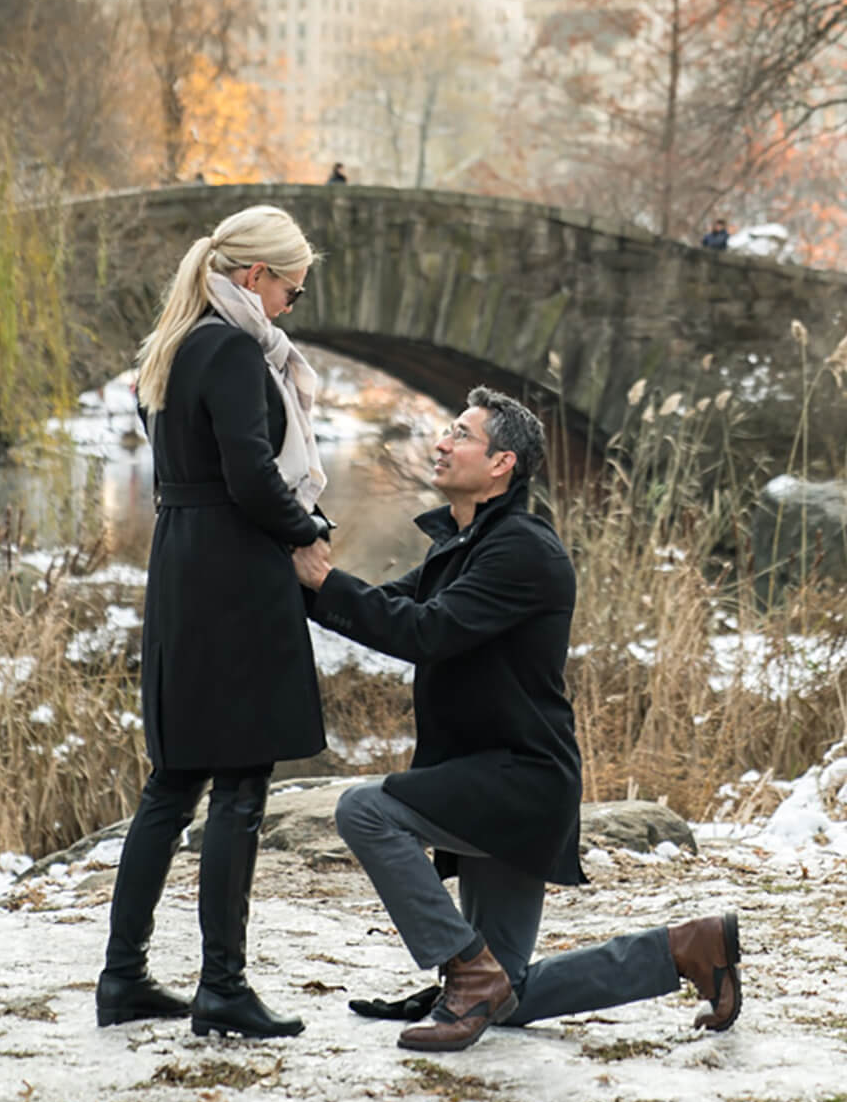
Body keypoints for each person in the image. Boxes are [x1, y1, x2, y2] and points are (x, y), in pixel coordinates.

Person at [291, 387, 742, 1053]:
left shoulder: (521, 551)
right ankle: (686, 949)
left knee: (365, 810)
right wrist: (301, 580)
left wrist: (325, 583)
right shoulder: (465, 544)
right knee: (507, 996)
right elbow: (381, 610)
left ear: (502, 463)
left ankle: (464, 970)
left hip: (516, 784)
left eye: (461, 434)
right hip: (485, 780)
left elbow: (425, 632)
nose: (442, 443)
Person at [96, 205, 329, 1040]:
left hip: (182, 565)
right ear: (255, 277)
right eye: (291, 292)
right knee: (238, 787)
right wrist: (311, 535)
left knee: (172, 782)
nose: (289, 308)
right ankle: (222, 988)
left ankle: (123, 978)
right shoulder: (232, 348)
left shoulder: (174, 346)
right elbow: (252, 473)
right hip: (234, 572)